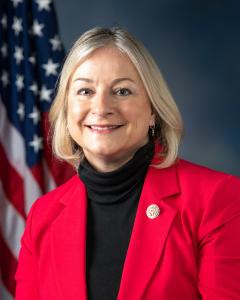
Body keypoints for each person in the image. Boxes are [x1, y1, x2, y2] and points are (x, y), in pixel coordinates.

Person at [15, 27, 240, 300]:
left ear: (153, 112)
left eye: (122, 91)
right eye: (85, 90)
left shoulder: (217, 199)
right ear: (66, 110)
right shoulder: (44, 216)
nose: (101, 107)